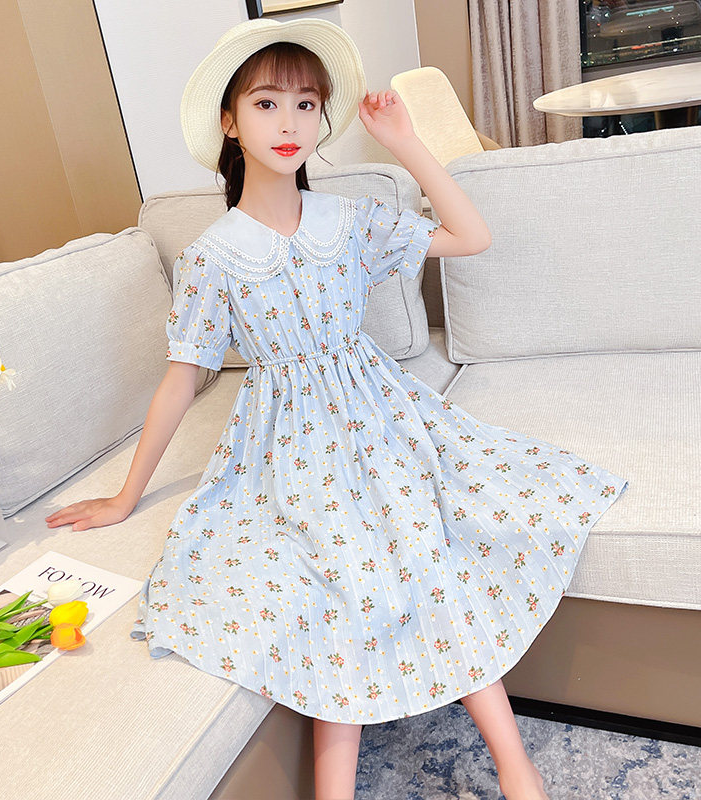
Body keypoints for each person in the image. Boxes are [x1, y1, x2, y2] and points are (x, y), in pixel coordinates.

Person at [45, 17, 629, 800]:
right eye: (266, 104)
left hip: (380, 414)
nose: (289, 123)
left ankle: (515, 768)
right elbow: (182, 378)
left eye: (307, 105)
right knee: (338, 572)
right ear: (229, 122)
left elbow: (471, 235)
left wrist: (406, 143)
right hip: (285, 442)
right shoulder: (212, 257)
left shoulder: (348, 222)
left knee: (423, 540)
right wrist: (125, 497)